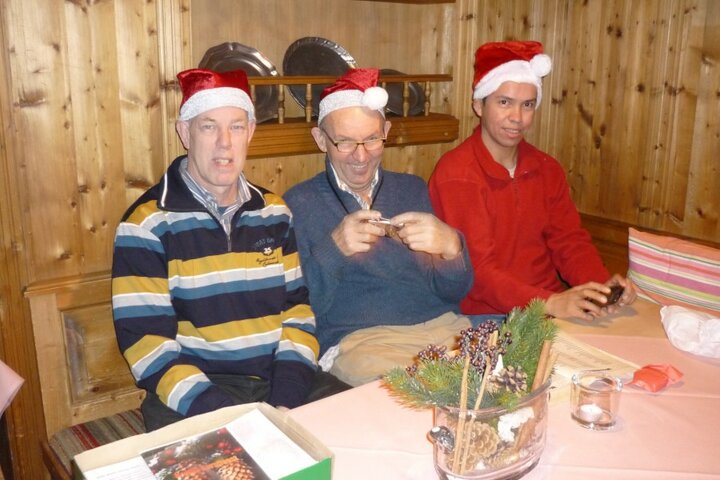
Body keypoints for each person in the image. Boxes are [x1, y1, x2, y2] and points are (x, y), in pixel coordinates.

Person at [111, 68, 349, 431]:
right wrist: (227, 414)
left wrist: (285, 397)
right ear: (184, 132)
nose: (225, 142)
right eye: (209, 126)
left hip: (280, 379)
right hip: (195, 395)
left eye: (236, 126)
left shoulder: (273, 212)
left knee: (359, 434)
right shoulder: (147, 225)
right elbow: (147, 345)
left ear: (250, 132)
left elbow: (297, 313)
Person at [284, 68, 474, 387]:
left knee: (502, 389)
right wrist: (333, 252)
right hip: (363, 344)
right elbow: (298, 310)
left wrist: (451, 250)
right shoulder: (299, 204)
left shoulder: (411, 189)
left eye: (372, 139)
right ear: (321, 140)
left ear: (386, 130)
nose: (360, 156)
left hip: (446, 330)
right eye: (344, 142)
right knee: (411, 404)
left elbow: (454, 291)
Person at [429, 41, 636, 321]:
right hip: (487, 316)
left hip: (549, 308)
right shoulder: (457, 173)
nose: (517, 117)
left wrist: (599, 287)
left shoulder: (546, 168)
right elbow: (478, 272)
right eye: (505, 103)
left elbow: (569, 242)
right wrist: (551, 303)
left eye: (527, 105)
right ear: (479, 105)